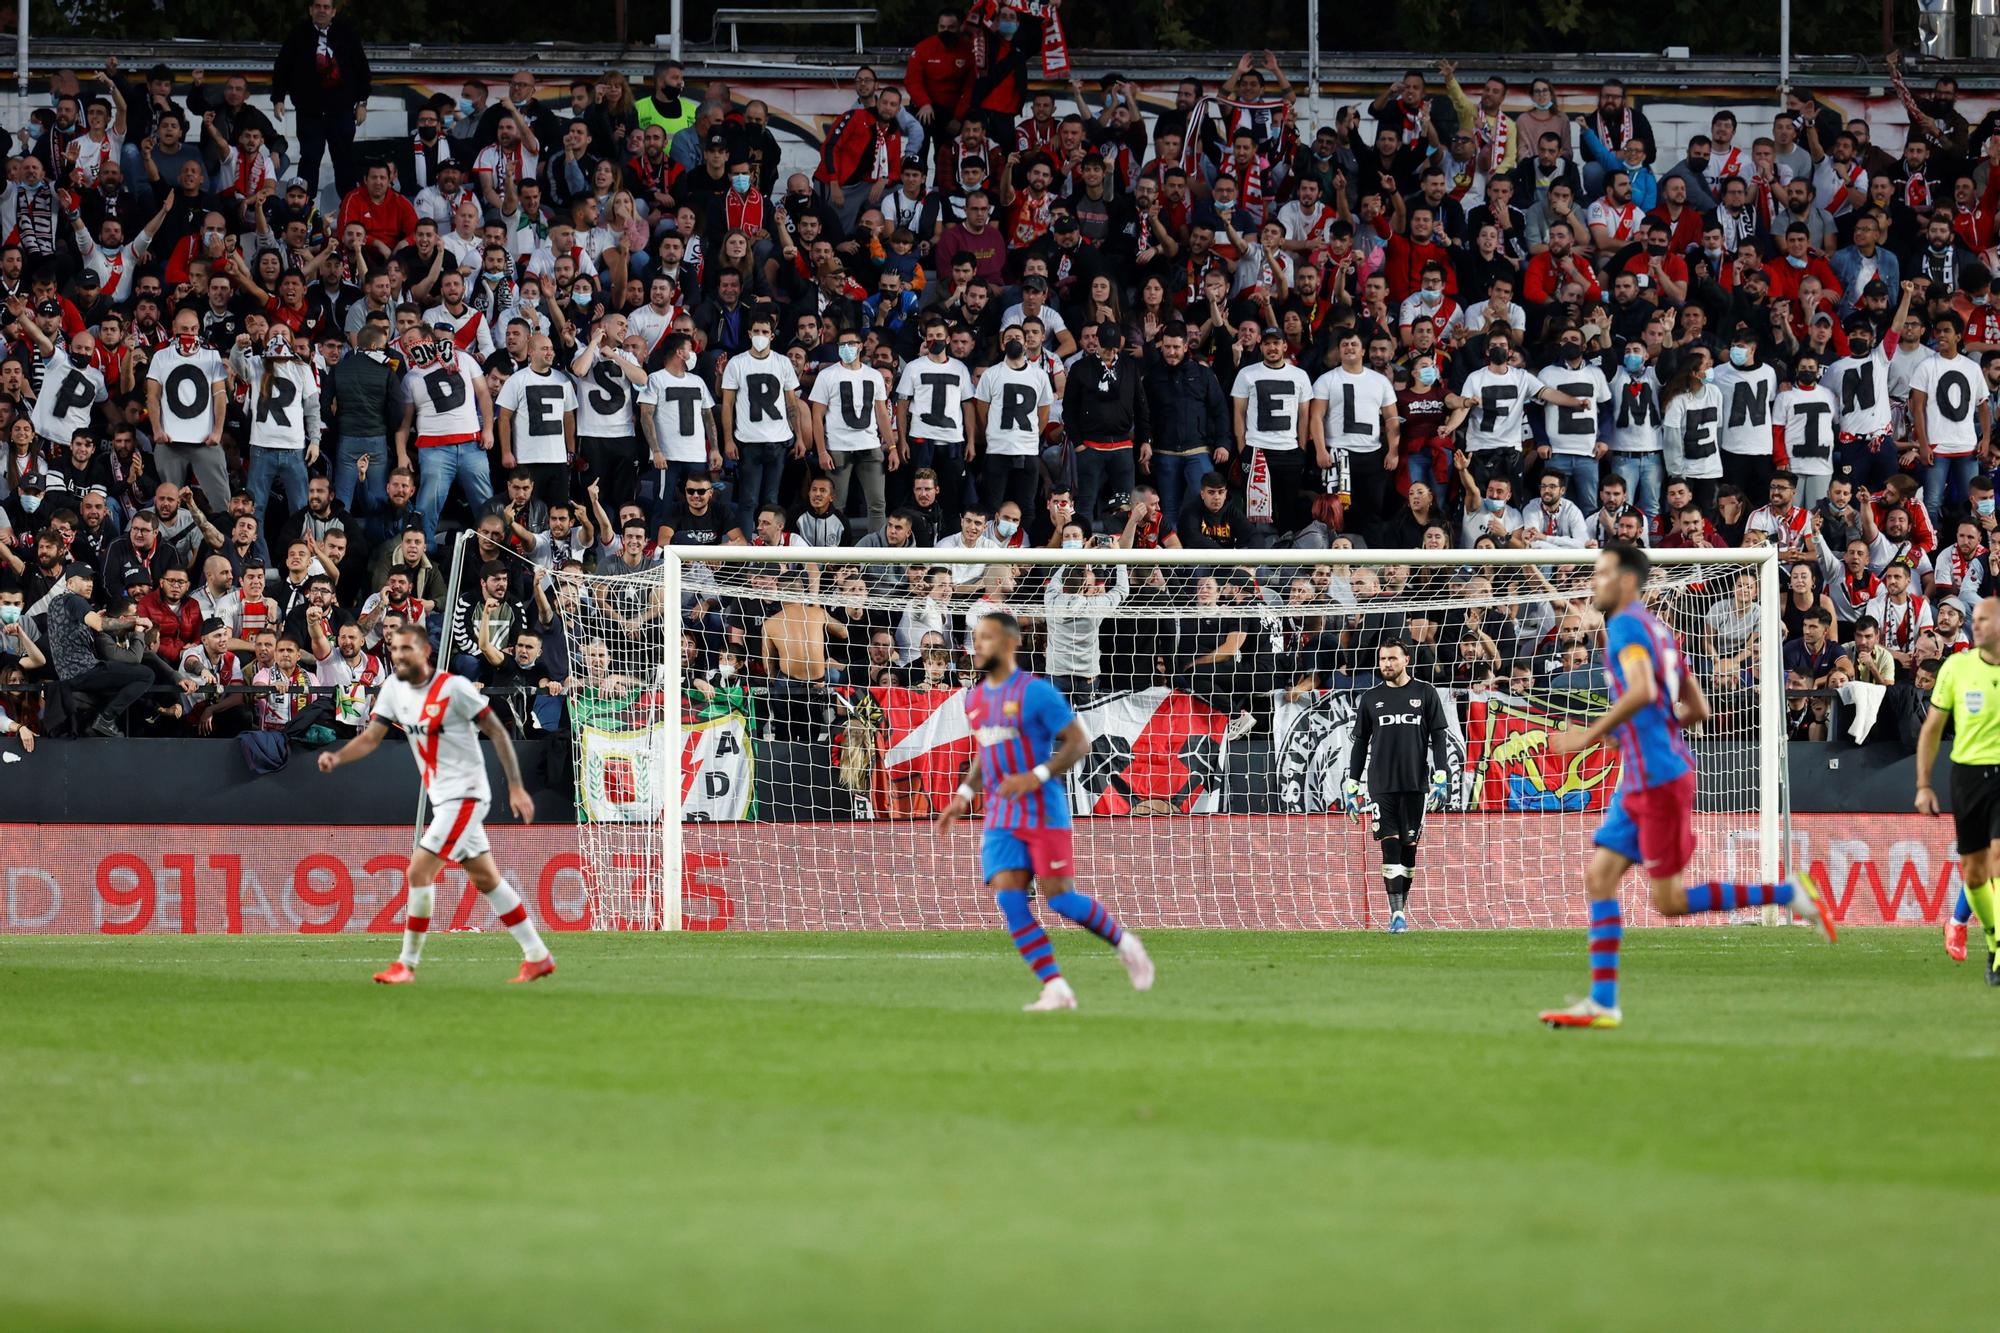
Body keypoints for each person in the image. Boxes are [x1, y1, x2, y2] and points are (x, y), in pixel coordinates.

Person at [1540, 545, 1833, 1030]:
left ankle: (1787, 893)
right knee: (1601, 879)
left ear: (1628, 582)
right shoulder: (1661, 632)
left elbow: (1642, 692)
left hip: (1656, 778)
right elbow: (1695, 709)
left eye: (1602, 574)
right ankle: (1602, 1002)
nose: (1593, 583)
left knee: (1667, 901)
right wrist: (1633, 730)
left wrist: (1585, 736)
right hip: (1646, 771)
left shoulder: (1627, 627)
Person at [932, 612, 1153, 1011]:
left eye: (986, 637)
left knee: (1060, 900)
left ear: (1010, 643)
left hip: (1042, 811)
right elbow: (987, 752)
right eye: (975, 637)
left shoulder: (1037, 693)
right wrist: (965, 792)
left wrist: (1035, 775)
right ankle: (1055, 986)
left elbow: (1078, 743)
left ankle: (1125, 942)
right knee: (1011, 900)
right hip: (1001, 815)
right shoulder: (976, 698)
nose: (977, 644)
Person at [315, 622, 554, 985]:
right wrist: (338, 757)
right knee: (486, 879)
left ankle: (406, 965)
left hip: (468, 794)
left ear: (425, 652)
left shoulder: (453, 688)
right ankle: (537, 955)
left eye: (406, 649)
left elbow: (497, 731)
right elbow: (372, 737)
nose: (398, 655)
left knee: (418, 871)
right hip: (444, 800)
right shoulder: (393, 689)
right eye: (394, 649)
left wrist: (517, 788)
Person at [1340, 640, 1452, 934]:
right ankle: (1397, 914)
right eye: (1382, 659)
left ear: (1406, 660)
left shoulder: (1425, 693)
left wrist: (1441, 775)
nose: (1386, 664)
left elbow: (1438, 737)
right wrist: (1353, 783)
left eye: (1392, 658)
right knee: (1389, 846)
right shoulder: (1370, 698)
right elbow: (1360, 743)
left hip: (1416, 784)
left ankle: (1402, 906)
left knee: (1409, 849)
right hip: (1381, 784)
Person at [1916, 596, 2000, 980]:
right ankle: (1985, 933)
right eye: (1975, 619)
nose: (1976, 626)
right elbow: (1932, 729)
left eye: (1984, 620)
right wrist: (1923, 784)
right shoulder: (1957, 667)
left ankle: (1997, 950)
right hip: (1967, 774)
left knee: (1997, 860)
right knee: (1975, 871)